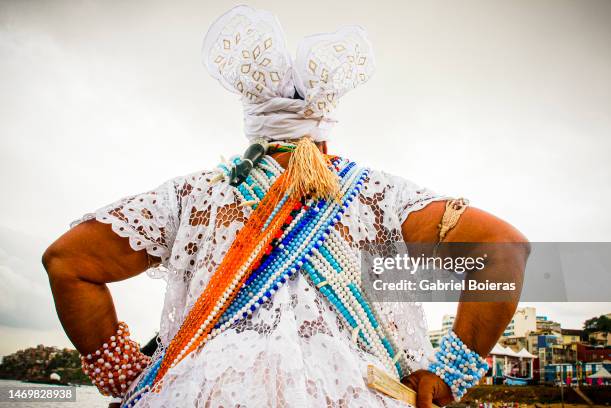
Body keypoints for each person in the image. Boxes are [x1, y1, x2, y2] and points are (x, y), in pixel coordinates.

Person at [42, 6, 528, 408]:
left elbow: (68, 262)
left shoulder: (193, 195)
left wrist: (126, 376)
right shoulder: (382, 194)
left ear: (253, 122)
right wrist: (449, 377)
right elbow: (503, 247)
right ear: (324, 122)